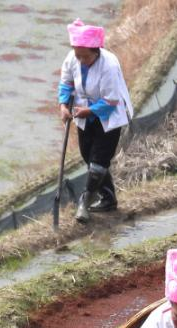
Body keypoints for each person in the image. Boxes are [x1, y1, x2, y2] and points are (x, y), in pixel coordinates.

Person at [58, 19, 133, 223]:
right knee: (88, 156)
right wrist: (64, 107)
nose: (81, 60)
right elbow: (66, 83)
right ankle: (108, 199)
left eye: (85, 56)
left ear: (96, 51)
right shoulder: (73, 58)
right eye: (78, 55)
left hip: (108, 116)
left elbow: (111, 99)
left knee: (99, 162)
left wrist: (89, 110)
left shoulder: (109, 64)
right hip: (84, 116)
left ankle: (84, 202)